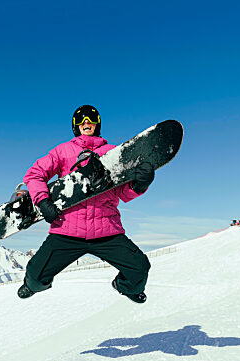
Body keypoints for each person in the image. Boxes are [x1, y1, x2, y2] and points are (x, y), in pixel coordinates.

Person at [17, 105, 155, 303]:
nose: (86, 123)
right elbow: (34, 174)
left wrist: (140, 185)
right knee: (36, 276)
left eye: (90, 119)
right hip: (66, 231)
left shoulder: (113, 153)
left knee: (140, 268)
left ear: (97, 123)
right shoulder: (63, 151)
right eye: (81, 120)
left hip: (106, 231)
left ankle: (125, 287)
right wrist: (42, 200)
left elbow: (122, 192)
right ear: (75, 126)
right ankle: (33, 285)